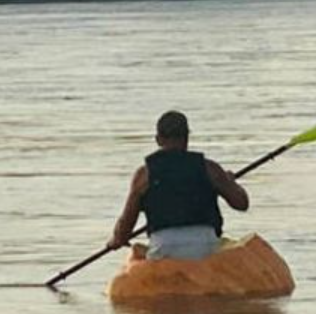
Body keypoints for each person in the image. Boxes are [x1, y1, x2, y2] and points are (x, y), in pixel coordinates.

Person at [107, 111, 250, 260]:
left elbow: (125, 226)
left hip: (163, 247)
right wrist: (231, 183)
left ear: (158, 140)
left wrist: (116, 240)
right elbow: (241, 203)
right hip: (204, 246)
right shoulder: (210, 168)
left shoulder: (144, 174)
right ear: (187, 137)